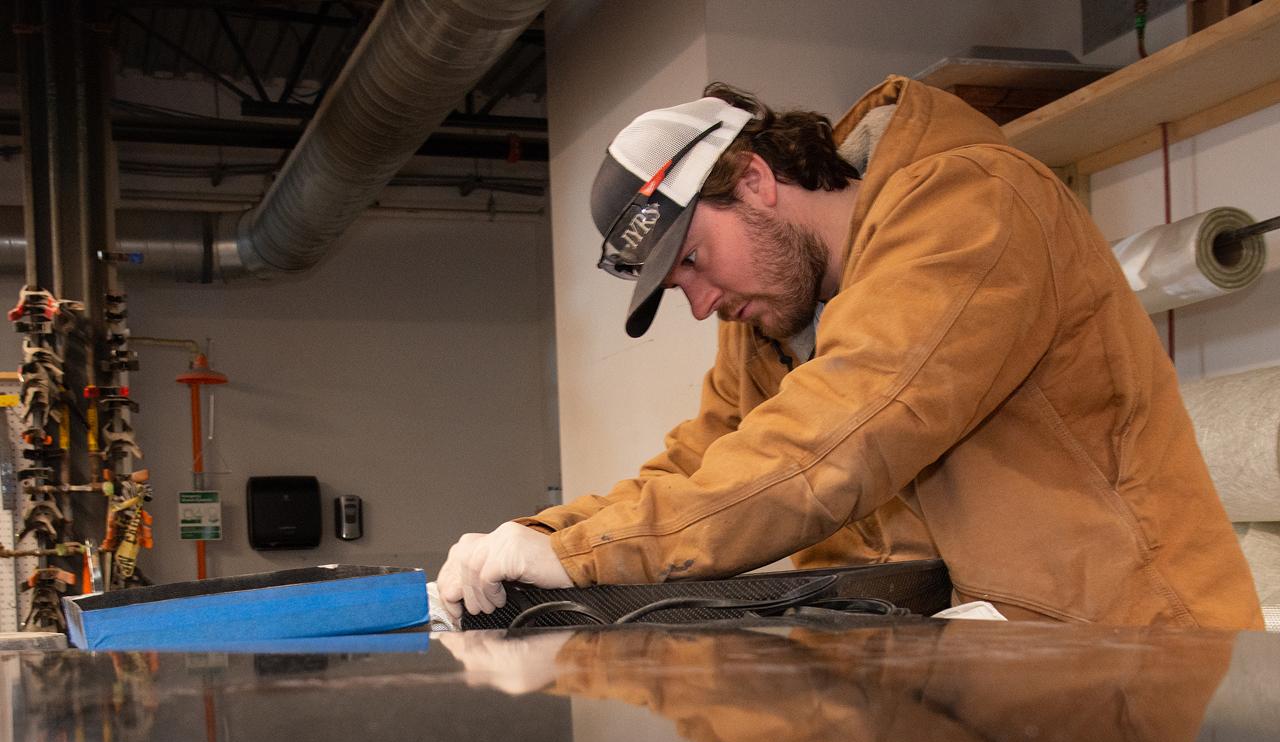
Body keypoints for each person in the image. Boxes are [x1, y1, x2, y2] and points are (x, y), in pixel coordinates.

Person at [437, 75, 1264, 629]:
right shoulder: (770, 322)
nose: (699, 301)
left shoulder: (972, 206)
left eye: (692, 259)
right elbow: (698, 465)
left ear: (754, 180)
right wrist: (536, 534)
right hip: (978, 665)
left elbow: (842, 434)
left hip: (1134, 654)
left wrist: (581, 558)